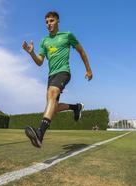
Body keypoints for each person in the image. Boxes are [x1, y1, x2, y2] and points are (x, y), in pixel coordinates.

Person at [22, 11, 93, 148]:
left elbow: (81, 51)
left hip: (64, 72)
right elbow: (39, 62)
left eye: (52, 21)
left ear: (58, 21)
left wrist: (88, 69)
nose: (49, 24)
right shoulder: (44, 41)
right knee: (52, 107)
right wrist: (31, 53)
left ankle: (40, 133)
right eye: (47, 22)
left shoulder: (67, 35)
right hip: (51, 75)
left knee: (52, 94)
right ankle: (76, 107)